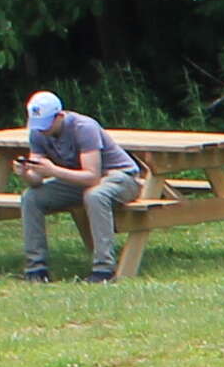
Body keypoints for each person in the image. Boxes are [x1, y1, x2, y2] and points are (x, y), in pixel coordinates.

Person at [16, 89, 145, 281]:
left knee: (95, 195)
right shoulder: (37, 133)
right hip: (78, 181)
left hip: (121, 178)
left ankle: (103, 269)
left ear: (60, 116)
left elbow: (92, 176)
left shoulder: (83, 127)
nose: (42, 130)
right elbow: (36, 181)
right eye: (37, 125)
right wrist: (26, 173)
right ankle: (36, 268)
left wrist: (53, 171)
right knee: (31, 197)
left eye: (46, 124)